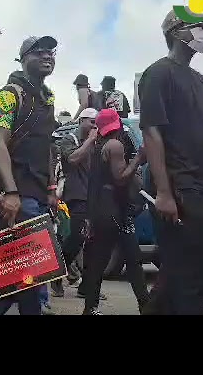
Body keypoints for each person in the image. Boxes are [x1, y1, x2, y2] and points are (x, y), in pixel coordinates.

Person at [138, 9, 203, 315]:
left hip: (202, 189)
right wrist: (163, 192)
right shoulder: (158, 73)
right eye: (201, 26)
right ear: (177, 31)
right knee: (187, 278)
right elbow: (151, 132)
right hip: (177, 188)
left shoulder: (200, 81)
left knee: (200, 266)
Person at [0, 35, 59, 316]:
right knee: (24, 276)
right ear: (23, 59)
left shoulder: (47, 98)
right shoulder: (7, 95)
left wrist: (50, 186)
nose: (47, 56)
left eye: (51, 52)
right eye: (39, 52)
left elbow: (47, 145)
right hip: (15, 195)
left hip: (37, 194)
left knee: (28, 277)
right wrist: (10, 192)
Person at [80, 109, 149, 315]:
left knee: (99, 261)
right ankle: (145, 305)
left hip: (101, 209)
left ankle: (90, 308)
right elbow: (120, 178)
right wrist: (138, 159)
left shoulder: (97, 146)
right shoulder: (115, 145)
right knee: (133, 260)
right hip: (115, 211)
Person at [52, 108, 102, 299]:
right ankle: (57, 273)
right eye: (91, 123)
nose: (94, 127)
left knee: (93, 243)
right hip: (76, 195)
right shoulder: (69, 140)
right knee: (76, 237)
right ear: (81, 121)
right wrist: (90, 141)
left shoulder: (98, 141)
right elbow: (72, 159)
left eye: (97, 124)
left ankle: (87, 286)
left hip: (94, 195)